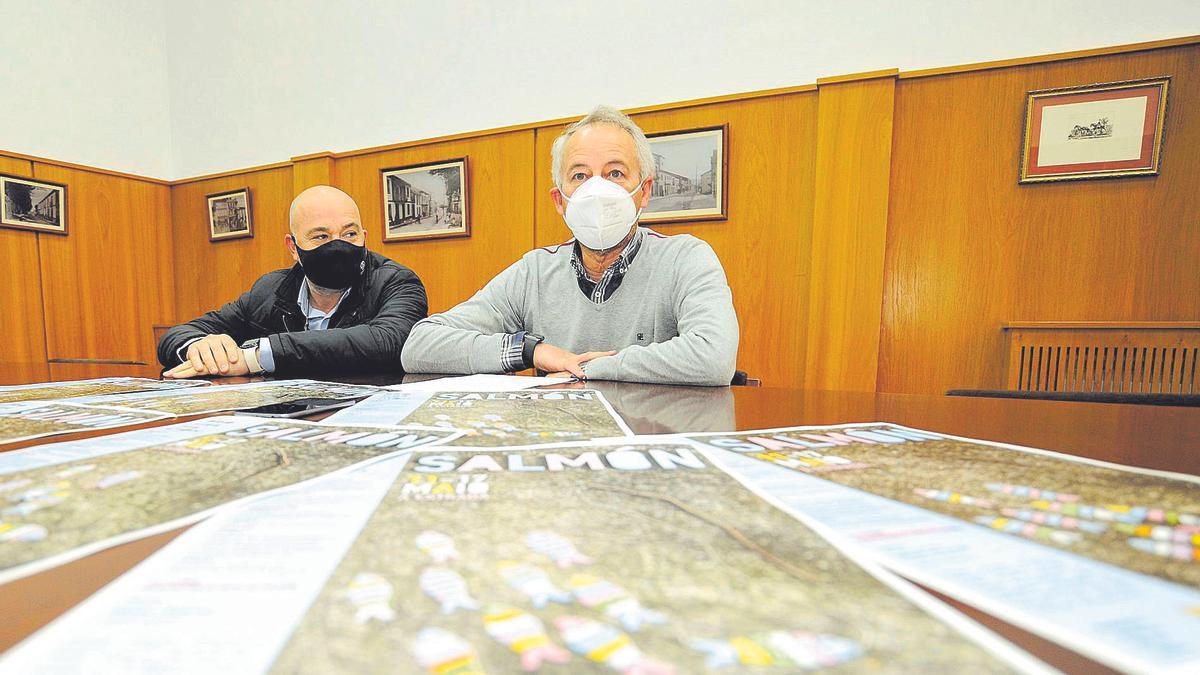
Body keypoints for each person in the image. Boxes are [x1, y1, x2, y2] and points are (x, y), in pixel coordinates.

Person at [401, 105, 738, 386]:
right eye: (579, 176)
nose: (597, 189)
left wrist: (589, 368)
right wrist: (530, 351)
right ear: (559, 200)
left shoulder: (685, 258)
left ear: (645, 191)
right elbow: (419, 345)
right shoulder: (533, 272)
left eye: (616, 173)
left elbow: (714, 356)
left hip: (648, 443)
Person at [158, 185, 428, 378]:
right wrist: (200, 347)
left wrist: (258, 356)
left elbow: (389, 341)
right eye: (321, 237)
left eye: (349, 234)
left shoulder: (397, 282)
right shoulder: (269, 290)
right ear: (293, 247)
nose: (338, 246)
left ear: (364, 237)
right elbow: (178, 335)